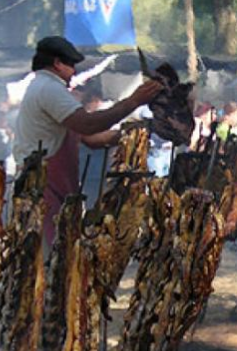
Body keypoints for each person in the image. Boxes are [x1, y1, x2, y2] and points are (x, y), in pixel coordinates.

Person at [11, 36, 162, 247]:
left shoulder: (42, 87)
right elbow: (88, 125)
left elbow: (92, 139)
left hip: (55, 189)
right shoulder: (49, 88)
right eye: (71, 65)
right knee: (49, 259)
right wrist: (134, 101)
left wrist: (134, 131)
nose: (74, 72)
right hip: (43, 187)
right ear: (57, 63)